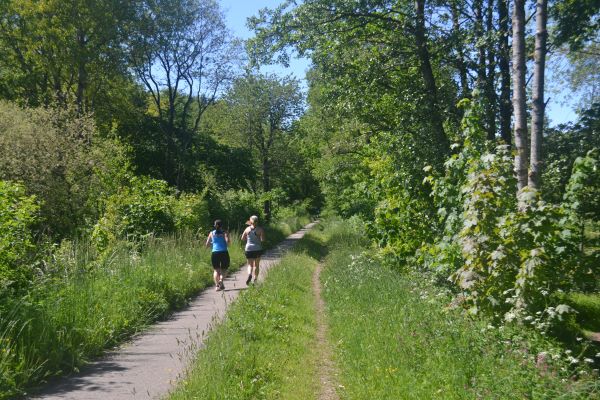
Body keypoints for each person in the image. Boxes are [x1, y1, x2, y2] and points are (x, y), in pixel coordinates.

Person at [205, 219, 231, 291]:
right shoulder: (225, 232)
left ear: (215, 225)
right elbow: (228, 243)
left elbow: (207, 245)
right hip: (224, 252)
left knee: (216, 270)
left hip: (215, 253)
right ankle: (221, 280)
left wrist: (213, 243)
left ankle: (217, 286)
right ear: (222, 225)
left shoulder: (211, 233)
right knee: (224, 269)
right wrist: (226, 239)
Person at [240, 215, 265, 285]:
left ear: (250, 221)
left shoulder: (247, 229)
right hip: (257, 249)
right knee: (256, 265)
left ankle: (249, 274)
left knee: (250, 265)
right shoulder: (260, 229)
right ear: (257, 221)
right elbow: (263, 240)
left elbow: (242, 239)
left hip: (248, 249)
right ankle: (255, 280)